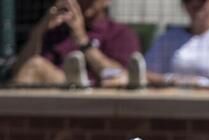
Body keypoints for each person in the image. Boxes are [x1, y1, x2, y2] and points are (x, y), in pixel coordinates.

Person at [8, 0, 140, 88]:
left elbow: (120, 75)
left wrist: (83, 41)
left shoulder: (120, 33)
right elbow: (20, 69)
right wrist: (41, 29)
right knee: (34, 66)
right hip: (55, 95)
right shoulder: (56, 30)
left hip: (95, 99)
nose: (85, 2)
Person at [143, 0, 209, 88]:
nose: (194, 3)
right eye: (188, 0)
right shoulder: (169, 37)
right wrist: (171, 81)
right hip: (172, 103)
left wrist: (206, 91)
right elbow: (144, 73)